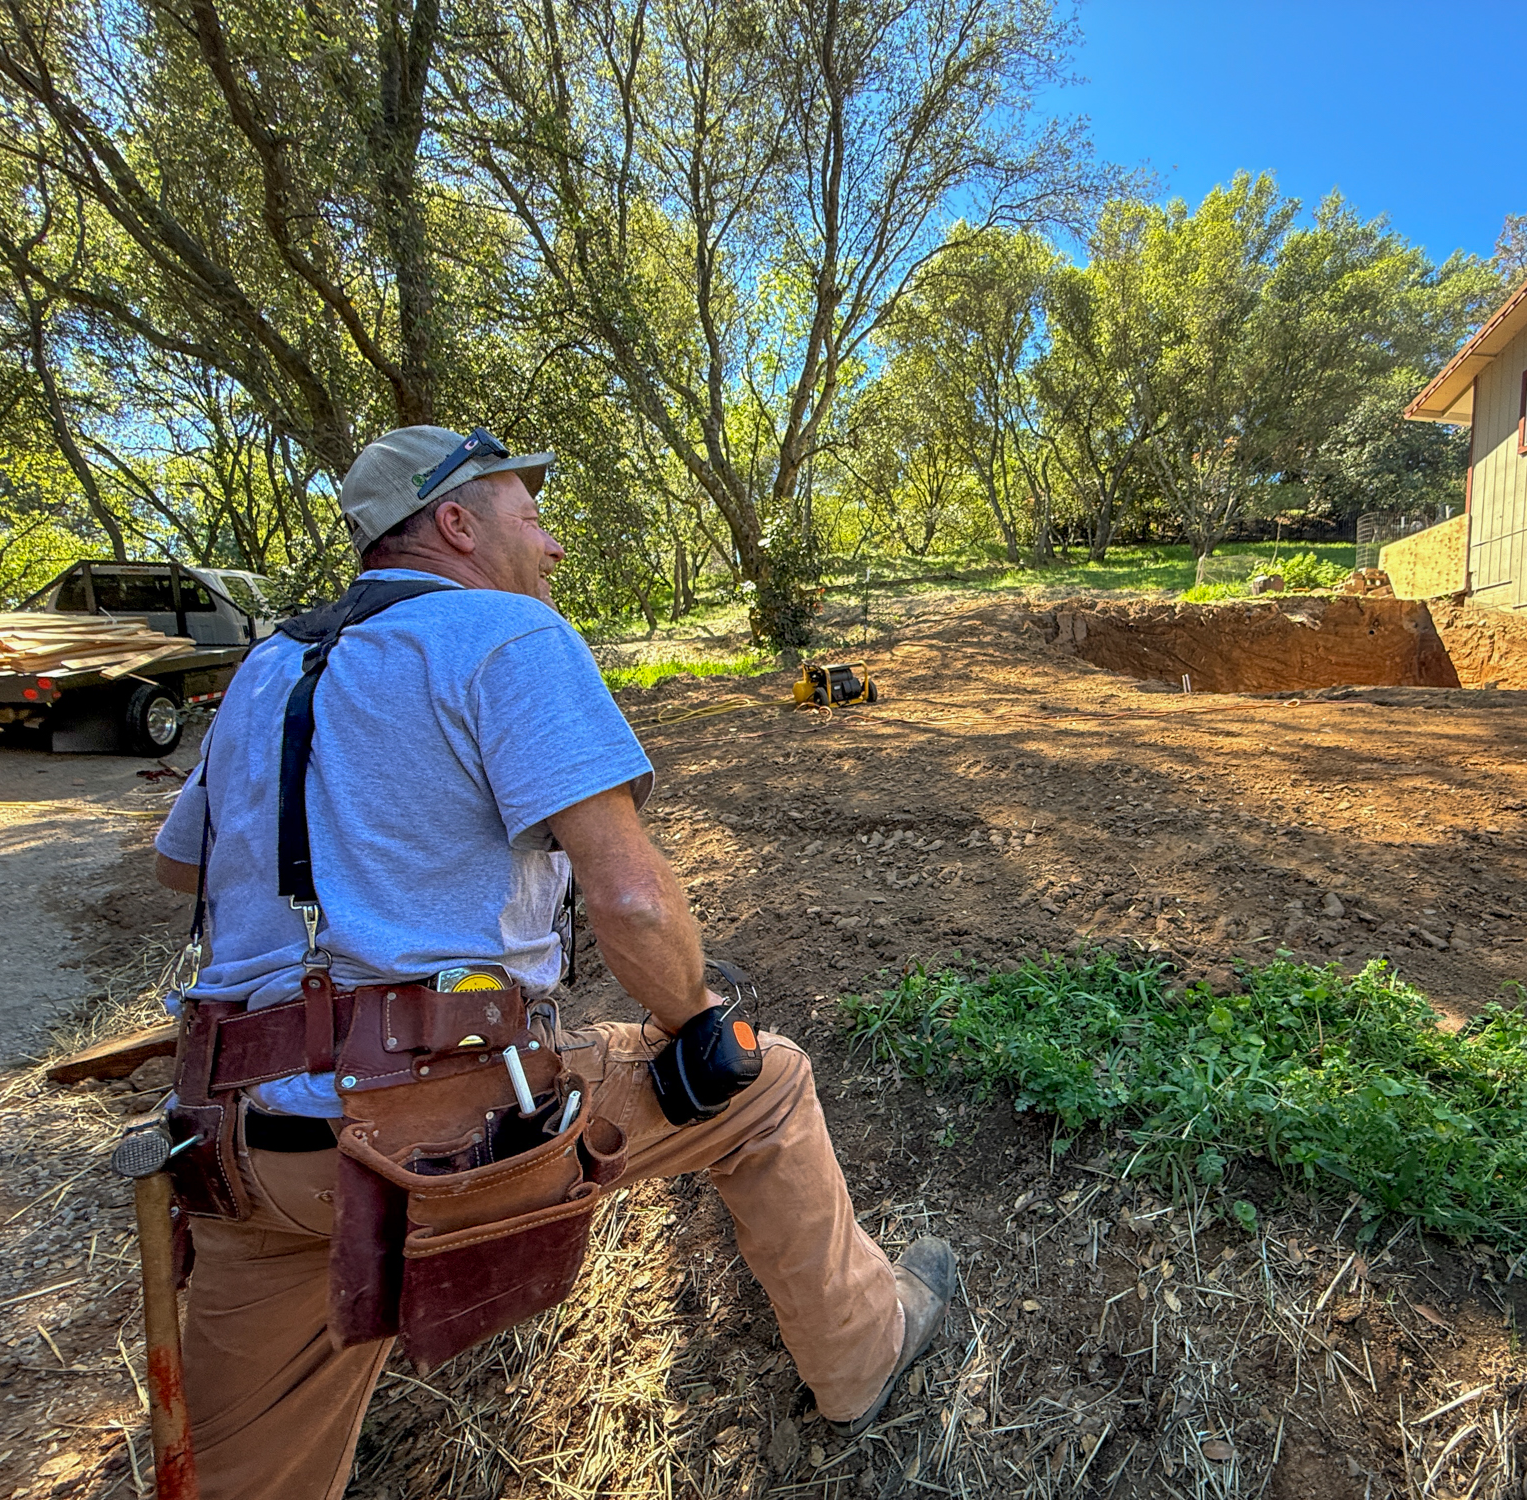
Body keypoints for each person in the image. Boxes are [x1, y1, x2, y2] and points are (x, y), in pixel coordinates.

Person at [151, 425, 952, 1500]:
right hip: (431, 1133)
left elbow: (179, 870)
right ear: (455, 522)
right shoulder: (505, 635)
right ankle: (863, 1356)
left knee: (243, 1479)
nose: (553, 545)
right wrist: (697, 1018)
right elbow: (626, 894)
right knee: (768, 1085)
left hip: (239, 1149)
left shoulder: (263, 667)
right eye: (531, 514)